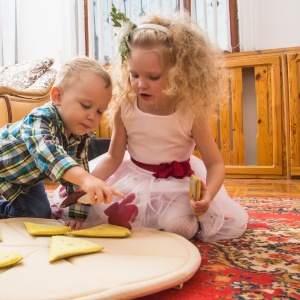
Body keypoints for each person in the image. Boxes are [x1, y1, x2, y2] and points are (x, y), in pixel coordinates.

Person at [74, 10, 249, 242]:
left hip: (177, 185)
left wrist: (207, 197)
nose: (140, 84)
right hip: (134, 177)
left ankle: (178, 220)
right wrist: (88, 182)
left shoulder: (190, 112)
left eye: (153, 77)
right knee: (107, 215)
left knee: (179, 229)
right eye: (134, 75)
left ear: (179, 73)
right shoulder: (125, 107)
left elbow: (215, 164)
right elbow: (113, 157)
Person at [0, 56, 125, 227]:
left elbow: (77, 175)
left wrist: (77, 215)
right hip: (3, 167)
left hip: (25, 179)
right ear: (58, 96)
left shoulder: (80, 136)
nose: (92, 116)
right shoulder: (39, 118)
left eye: (99, 111)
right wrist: (86, 179)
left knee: (38, 215)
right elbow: (48, 154)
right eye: (86, 106)